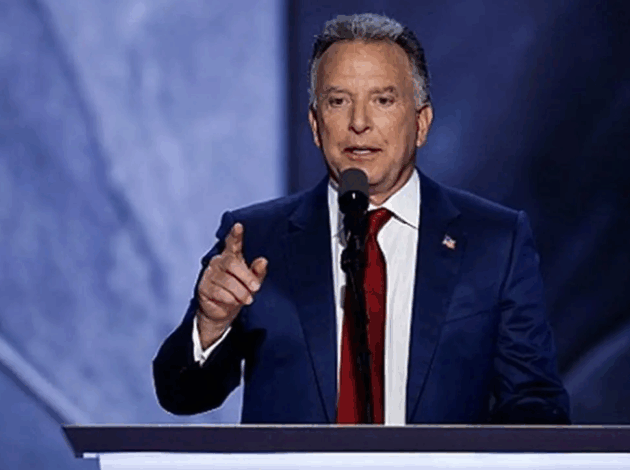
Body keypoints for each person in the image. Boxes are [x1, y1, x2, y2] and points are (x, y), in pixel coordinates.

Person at [152, 13, 571, 425]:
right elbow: (181, 395)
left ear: (421, 123)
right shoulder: (255, 240)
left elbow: (535, 403)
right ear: (315, 125)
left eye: (383, 100)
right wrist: (211, 324)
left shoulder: (495, 241)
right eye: (338, 102)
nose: (359, 123)